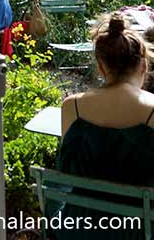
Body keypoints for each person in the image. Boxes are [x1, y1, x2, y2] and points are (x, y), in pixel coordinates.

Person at [51, 14, 154, 240]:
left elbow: (67, 169)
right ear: (144, 65)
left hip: (78, 226)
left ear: (100, 67)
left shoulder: (72, 106)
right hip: (138, 230)